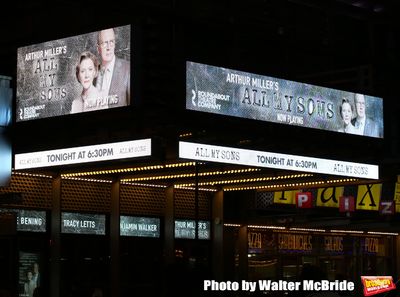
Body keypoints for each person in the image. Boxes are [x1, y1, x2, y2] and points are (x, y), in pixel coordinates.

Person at [96, 28, 130, 108]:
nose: (108, 48)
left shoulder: (128, 69)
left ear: (114, 44)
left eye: (111, 42)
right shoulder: (93, 73)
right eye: (104, 43)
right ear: (98, 49)